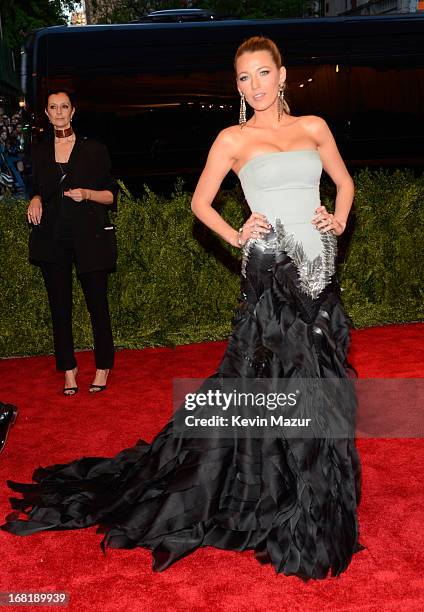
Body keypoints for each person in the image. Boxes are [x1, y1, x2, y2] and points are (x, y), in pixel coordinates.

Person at [1, 38, 361, 579]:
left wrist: (337, 216)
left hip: (320, 277)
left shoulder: (314, 127)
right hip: (270, 277)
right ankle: (291, 504)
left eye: (263, 73)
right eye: (244, 77)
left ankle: (313, 495)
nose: (255, 85)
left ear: (282, 75)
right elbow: (200, 202)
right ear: (237, 85)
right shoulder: (232, 138)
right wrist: (239, 235)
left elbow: (345, 181)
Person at [26, 91, 119, 395]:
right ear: (47, 113)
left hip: (89, 236)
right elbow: (38, 188)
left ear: (73, 111)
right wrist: (36, 199)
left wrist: (87, 194)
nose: (59, 112)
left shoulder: (93, 149)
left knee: (97, 305)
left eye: (64, 106)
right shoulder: (38, 151)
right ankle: (69, 369)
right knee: (59, 308)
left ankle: (103, 365)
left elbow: (110, 196)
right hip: (52, 237)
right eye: (53, 107)